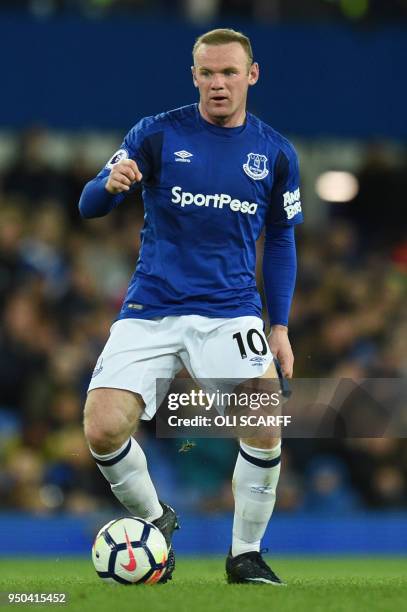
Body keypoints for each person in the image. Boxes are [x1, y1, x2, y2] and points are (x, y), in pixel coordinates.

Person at [79, 28, 303, 585]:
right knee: (103, 429)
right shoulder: (155, 134)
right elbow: (88, 205)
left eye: (229, 72)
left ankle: (245, 554)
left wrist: (280, 326)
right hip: (151, 305)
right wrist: (110, 184)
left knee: (264, 418)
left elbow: (280, 241)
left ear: (252, 75)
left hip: (230, 309)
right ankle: (157, 523)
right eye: (207, 73)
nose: (218, 84)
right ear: (194, 76)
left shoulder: (275, 152)